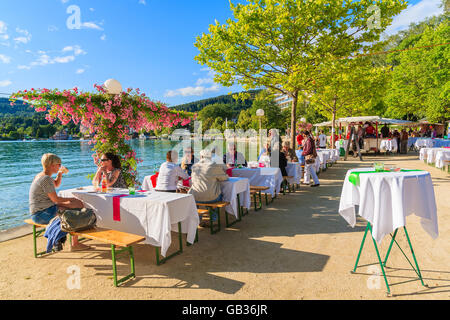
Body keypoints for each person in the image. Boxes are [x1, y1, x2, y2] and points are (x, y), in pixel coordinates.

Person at [29, 153, 88, 251]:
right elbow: (55, 199)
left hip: (39, 212)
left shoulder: (41, 175)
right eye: (59, 165)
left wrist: (60, 173)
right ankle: (72, 243)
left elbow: (56, 184)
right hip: (42, 214)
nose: (60, 166)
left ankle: (67, 241)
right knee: (76, 208)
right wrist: (71, 199)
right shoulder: (46, 178)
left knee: (75, 205)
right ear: (52, 165)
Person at [189, 149, 229, 227]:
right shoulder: (213, 165)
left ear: (201, 156)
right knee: (220, 194)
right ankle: (214, 219)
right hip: (211, 198)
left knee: (198, 194)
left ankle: (198, 219)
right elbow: (224, 178)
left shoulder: (194, 166)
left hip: (196, 196)